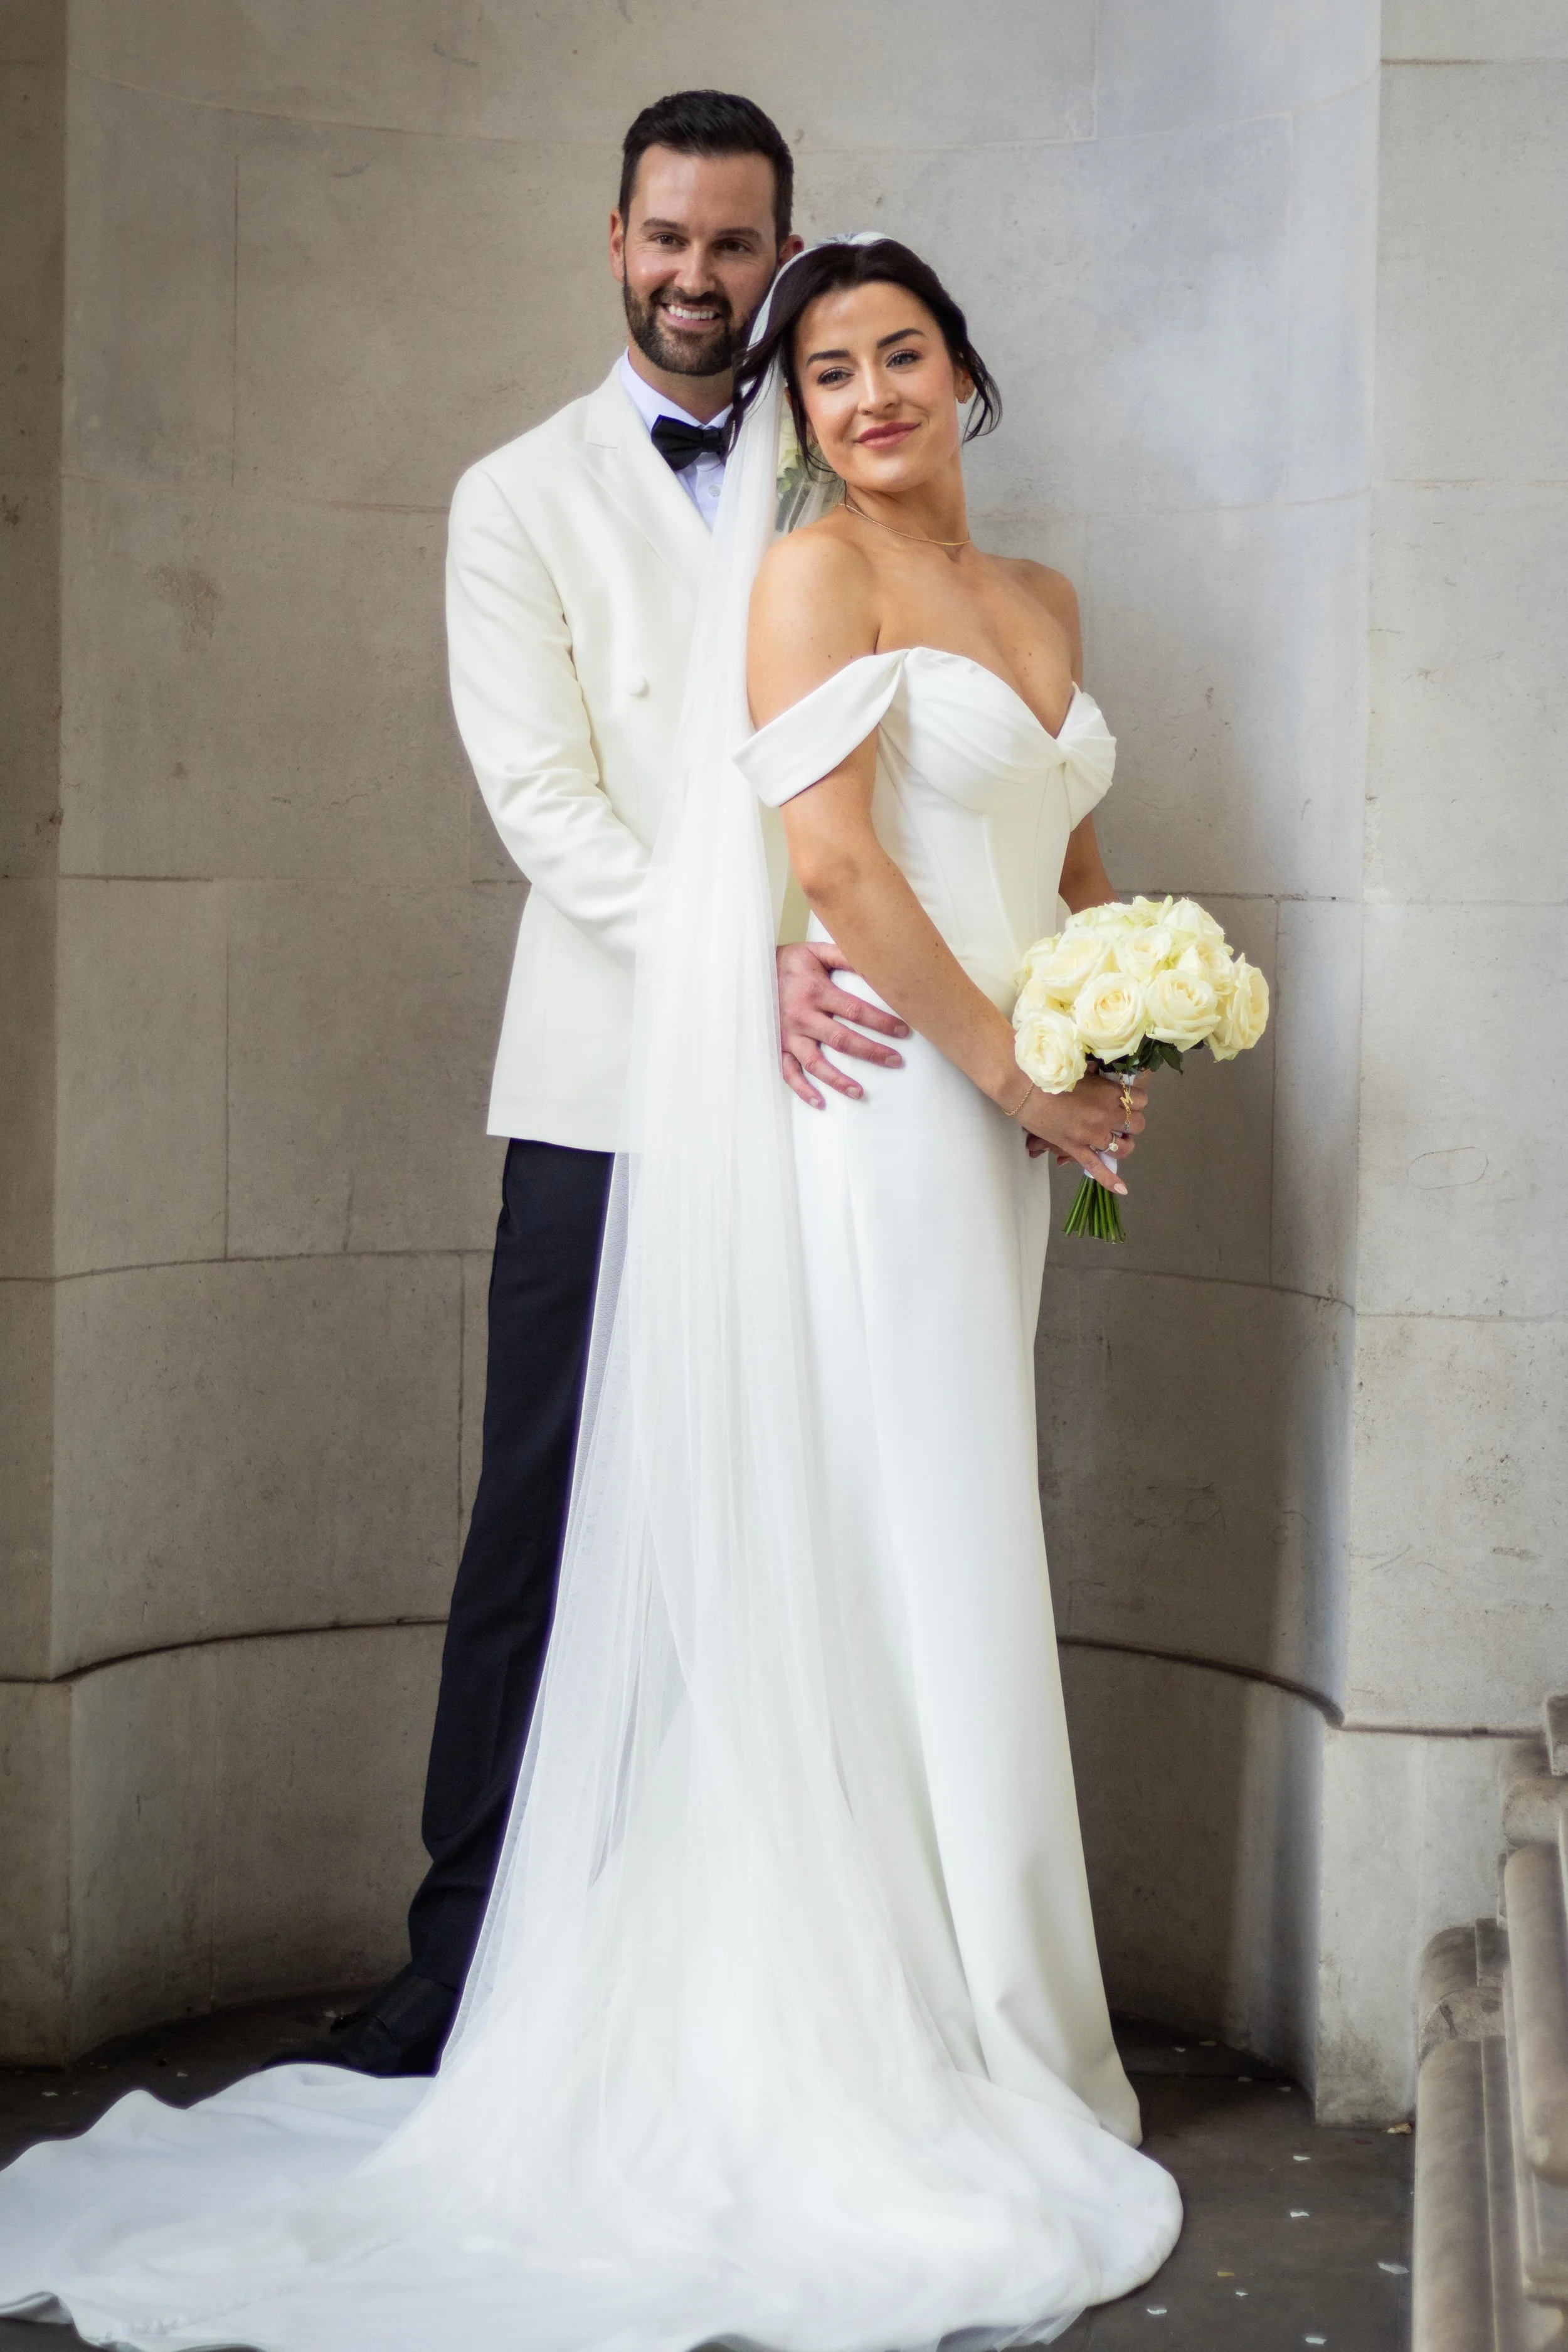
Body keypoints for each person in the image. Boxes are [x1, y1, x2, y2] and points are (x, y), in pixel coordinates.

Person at [0, 236, 1182, 2350]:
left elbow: (1070, 850)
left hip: (1008, 1117)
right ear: (798, 414)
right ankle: (906, 2017)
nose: (869, 394)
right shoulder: (812, 575)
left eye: (901, 353)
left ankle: (968, 1980)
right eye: (829, 372)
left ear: (963, 370)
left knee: (941, 1524)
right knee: (900, 1527)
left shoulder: (1046, 599)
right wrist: (1010, 1071)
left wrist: (1119, 1014)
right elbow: (837, 865)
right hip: (896, 1102)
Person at [320, 91, 908, 2079]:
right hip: (606, 1078)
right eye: (668, 238)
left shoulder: (839, 456)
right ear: (614, 241)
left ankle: (759, 1957)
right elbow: (544, 802)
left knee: (799, 1506)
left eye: (734, 244)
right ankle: (462, 1946)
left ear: (781, 254)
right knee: (544, 1507)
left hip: (831, 1068)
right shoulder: (517, 494)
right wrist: (733, 966)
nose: (696, 276)